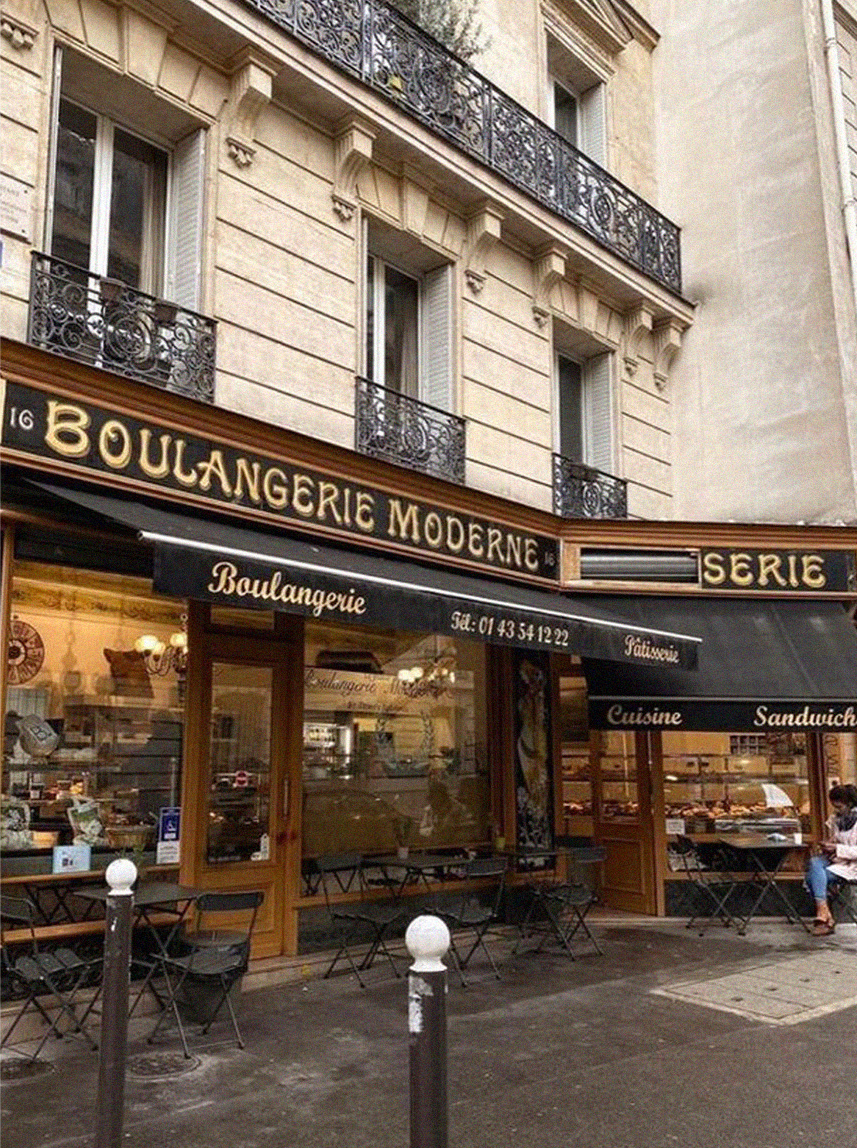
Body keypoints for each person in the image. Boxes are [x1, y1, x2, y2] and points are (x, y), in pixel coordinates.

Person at [805, 783, 857, 936]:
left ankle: (825, 918)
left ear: (850, 804)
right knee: (815, 862)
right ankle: (824, 912)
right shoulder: (837, 819)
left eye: (839, 807)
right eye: (834, 807)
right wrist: (829, 844)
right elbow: (836, 838)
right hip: (837, 860)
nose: (836, 810)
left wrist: (837, 848)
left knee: (812, 876)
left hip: (852, 865)